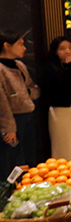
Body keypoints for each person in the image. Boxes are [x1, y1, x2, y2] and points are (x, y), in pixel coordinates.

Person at [0, 30, 38, 171]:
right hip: (12, 119)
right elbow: (2, 102)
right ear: (7, 46)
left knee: (29, 156)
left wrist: (27, 93)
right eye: (20, 44)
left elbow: (32, 87)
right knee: (12, 158)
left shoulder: (19, 65)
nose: (24, 48)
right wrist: (8, 127)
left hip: (27, 114)